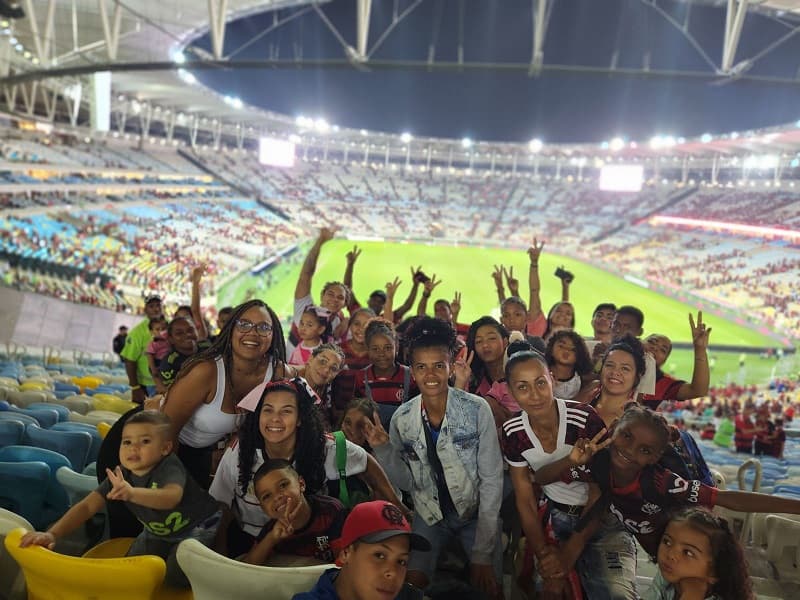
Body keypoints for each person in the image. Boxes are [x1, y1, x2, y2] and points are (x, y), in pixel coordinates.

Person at [535, 403, 800, 558]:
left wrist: (795, 506)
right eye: (626, 436)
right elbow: (542, 477)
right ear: (614, 430)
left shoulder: (663, 482)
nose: (630, 450)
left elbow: (725, 498)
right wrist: (571, 461)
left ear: (655, 457)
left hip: (682, 559)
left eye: (645, 450)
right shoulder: (598, 465)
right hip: (657, 555)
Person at [365, 317, 504, 599]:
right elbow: (406, 482)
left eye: (439, 366)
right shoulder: (402, 420)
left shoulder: (477, 409)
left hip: (474, 513)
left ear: (451, 367)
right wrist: (383, 450)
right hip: (429, 515)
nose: (431, 374)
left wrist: (482, 552)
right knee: (410, 587)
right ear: (412, 372)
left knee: (491, 588)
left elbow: (491, 479)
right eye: (421, 367)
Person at [20, 411, 221, 588]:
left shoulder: (169, 467)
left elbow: (171, 497)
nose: (134, 448)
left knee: (174, 579)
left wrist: (132, 493)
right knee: (133, 569)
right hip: (158, 530)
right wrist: (53, 534)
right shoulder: (122, 476)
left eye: (145, 441)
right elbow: (88, 506)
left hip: (198, 526)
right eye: (127, 441)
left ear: (165, 448)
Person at [210, 378, 403, 558]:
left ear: (300, 418)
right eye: (268, 410)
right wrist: (221, 554)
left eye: (286, 411)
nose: (275, 419)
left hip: (308, 548)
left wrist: (398, 506)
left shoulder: (324, 448)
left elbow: (365, 461)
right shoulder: (239, 453)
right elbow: (220, 505)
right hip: (253, 545)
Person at [501, 349, 636, 599]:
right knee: (547, 590)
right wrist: (543, 554)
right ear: (510, 391)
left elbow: (601, 492)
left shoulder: (584, 419)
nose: (535, 395)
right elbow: (526, 500)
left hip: (604, 522)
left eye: (540, 382)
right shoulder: (513, 432)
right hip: (556, 517)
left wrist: (568, 554)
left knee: (616, 595)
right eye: (522, 387)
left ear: (552, 379)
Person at [162, 299, 292, 488]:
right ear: (231, 329)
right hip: (161, 449)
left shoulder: (277, 373)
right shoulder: (206, 372)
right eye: (244, 324)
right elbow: (165, 431)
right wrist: (168, 483)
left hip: (204, 454)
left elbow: (302, 373)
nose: (253, 333)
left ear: (273, 335)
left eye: (263, 327)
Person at [292, 500, 431, 600]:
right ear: (346, 553)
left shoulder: (403, 594)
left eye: (401, 561)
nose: (393, 573)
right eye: (379, 555)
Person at [242, 459, 346, 565]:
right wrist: (272, 538)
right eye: (267, 496)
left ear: (301, 484)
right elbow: (248, 566)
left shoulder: (330, 510)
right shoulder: (271, 531)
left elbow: (345, 560)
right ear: (263, 508)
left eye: (283, 485)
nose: (277, 497)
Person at [643, 508, 753, 600]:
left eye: (688, 552)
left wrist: (692, 595)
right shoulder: (667, 576)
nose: (671, 555)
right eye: (667, 542)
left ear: (713, 572)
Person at [289, 228, 350, 356]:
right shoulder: (305, 308)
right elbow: (306, 275)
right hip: (290, 370)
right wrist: (320, 241)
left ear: (344, 304)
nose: (334, 299)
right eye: (330, 294)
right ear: (322, 296)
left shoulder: (340, 320)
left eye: (340, 298)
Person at [353, 319, 417, 430]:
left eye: (387, 348)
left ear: (396, 347)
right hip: (371, 440)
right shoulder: (361, 377)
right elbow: (358, 412)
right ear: (367, 349)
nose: (381, 354)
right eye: (375, 349)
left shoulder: (410, 375)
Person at [641, 313, 711, 409]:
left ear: (664, 361)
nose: (655, 348)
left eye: (663, 350)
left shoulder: (663, 384)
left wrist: (700, 349)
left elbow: (698, 390)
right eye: (652, 342)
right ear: (640, 342)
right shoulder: (618, 361)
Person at [590, 334, 647, 427]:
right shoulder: (587, 394)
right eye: (609, 365)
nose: (615, 372)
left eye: (625, 368)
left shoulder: (636, 421)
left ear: (637, 377)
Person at [121, 294, 164, 404]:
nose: (156, 309)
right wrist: (135, 388)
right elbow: (130, 361)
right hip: (148, 386)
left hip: (169, 384)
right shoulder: (137, 333)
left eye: (158, 305)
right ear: (145, 310)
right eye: (151, 306)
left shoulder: (171, 326)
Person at [158, 316, 210, 390]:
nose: (187, 335)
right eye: (179, 333)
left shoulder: (208, 348)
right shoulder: (169, 363)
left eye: (190, 330)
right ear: (171, 339)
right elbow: (172, 392)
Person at [545, 330, 594, 401]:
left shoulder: (584, 380)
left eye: (573, 349)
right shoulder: (541, 373)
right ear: (551, 349)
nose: (566, 351)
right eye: (561, 346)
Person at [145, 316, 170, 394]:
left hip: (167, 364)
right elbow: (150, 357)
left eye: (163, 329)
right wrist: (154, 371)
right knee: (160, 385)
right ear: (152, 332)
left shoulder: (169, 341)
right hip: (157, 365)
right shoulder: (153, 344)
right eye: (157, 329)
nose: (161, 332)